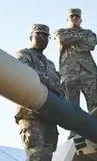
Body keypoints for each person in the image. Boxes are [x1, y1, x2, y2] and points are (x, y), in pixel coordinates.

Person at [15, 24, 62, 161]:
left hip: (50, 116)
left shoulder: (50, 64)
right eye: (38, 34)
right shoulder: (24, 55)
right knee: (35, 157)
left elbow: (59, 87)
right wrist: (50, 85)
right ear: (31, 36)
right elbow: (24, 73)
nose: (42, 38)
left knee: (47, 157)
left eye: (45, 36)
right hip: (31, 115)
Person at [53, 8, 97, 139]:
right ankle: (75, 131)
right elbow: (62, 40)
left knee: (94, 103)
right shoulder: (60, 32)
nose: (74, 19)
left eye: (77, 17)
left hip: (88, 71)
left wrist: (73, 39)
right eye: (72, 17)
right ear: (67, 19)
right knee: (71, 105)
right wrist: (80, 38)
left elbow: (91, 44)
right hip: (69, 72)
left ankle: (96, 129)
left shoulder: (89, 33)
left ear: (81, 19)